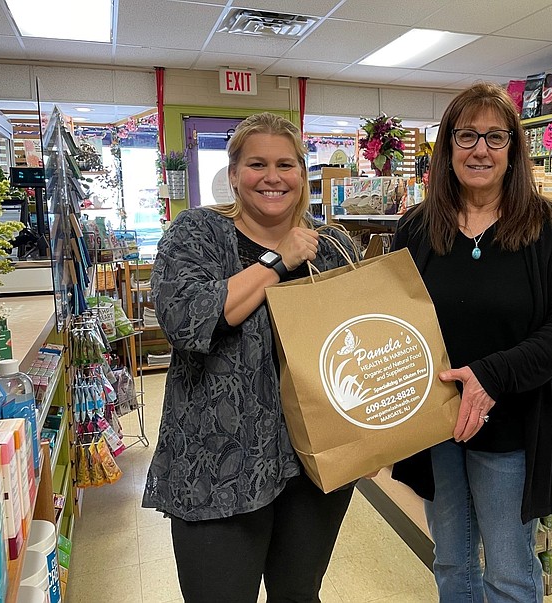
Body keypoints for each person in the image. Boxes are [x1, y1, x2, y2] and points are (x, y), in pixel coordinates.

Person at [141, 113, 357, 603]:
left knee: (298, 595)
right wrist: (278, 260)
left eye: (286, 164)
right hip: (217, 467)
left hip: (313, 467)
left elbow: (359, 343)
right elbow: (185, 320)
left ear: (302, 173)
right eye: (257, 164)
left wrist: (368, 434)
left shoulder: (334, 246)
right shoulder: (197, 232)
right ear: (234, 173)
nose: (273, 176)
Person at [390, 82, 552, 602]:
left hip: (513, 426)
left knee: (509, 568)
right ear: (447, 146)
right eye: (467, 135)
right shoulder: (415, 229)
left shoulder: (547, 226)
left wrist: (491, 376)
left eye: (495, 137)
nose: (480, 149)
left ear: (513, 150)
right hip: (434, 424)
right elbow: (391, 324)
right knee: (452, 560)